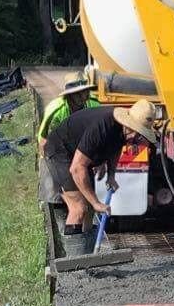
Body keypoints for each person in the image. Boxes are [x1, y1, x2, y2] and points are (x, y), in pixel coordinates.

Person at [44, 100, 158, 256]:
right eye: (135, 131)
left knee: (89, 210)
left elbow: (116, 148)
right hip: (60, 151)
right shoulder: (103, 126)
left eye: (140, 134)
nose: (136, 137)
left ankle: (87, 257)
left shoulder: (124, 130)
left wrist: (111, 175)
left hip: (78, 156)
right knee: (79, 207)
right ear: (128, 122)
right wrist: (96, 202)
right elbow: (77, 168)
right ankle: (74, 263)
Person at [37, 74, 100, 151]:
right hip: (62, 147)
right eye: (77, 93)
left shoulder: (95, 105)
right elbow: (47, 141)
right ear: (69, 95)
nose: (83, 96)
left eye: (85, 91)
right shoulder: (57, 112)